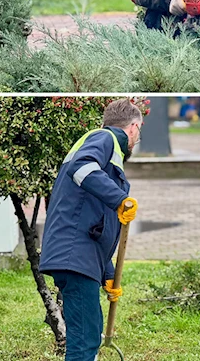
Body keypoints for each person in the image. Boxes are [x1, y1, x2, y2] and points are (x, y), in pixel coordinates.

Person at [39, 99, 143, 361]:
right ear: (133, 127)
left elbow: (91, 219)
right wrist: (119, 198)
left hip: (79, 256)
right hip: (75, 257)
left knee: (89, 332)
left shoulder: (106, 150)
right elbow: (82, 167)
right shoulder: (105, 138)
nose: (137, 138)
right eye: (139, 131)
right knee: (84, 340)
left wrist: (108, 272)